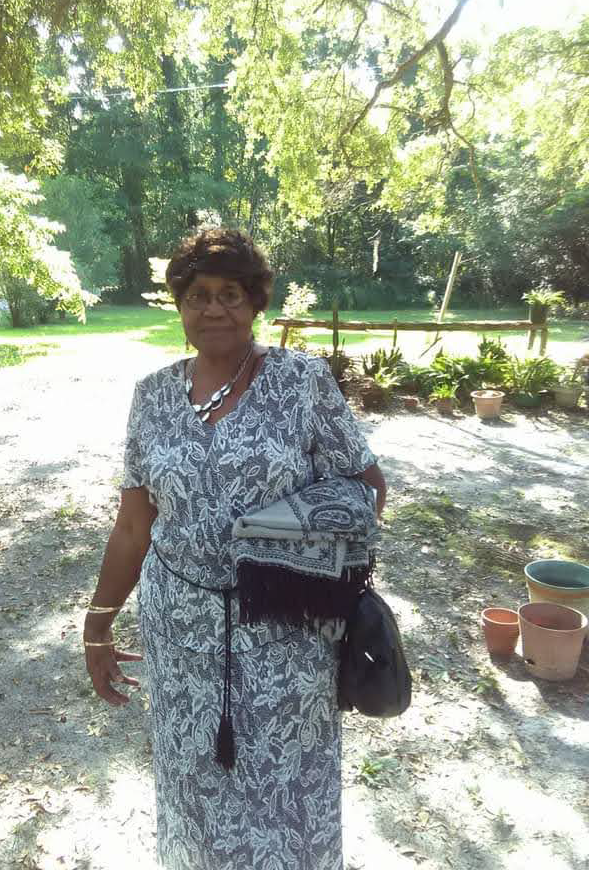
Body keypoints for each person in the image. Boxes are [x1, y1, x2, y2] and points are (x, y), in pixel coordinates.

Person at [84, 227, 387, 870]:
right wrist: (98, 624)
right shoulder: (153, 397)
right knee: (192, 783)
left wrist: (287, 546)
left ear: (255, 302)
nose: (214, 309)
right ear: (180, 305)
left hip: (286, 629)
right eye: (197, 294)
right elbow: (134, 526)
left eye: (230, 294)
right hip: (181, 631)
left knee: (286, 787)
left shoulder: (302, 382)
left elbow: (366, 489)